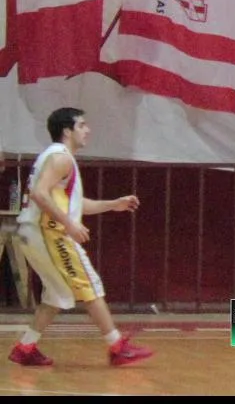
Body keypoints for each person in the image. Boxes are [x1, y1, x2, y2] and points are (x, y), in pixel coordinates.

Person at [8, 108, 153, 367]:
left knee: (57, 293)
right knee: (90, 284)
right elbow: (40, 194)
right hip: (49, 232)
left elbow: (74, 204)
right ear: (67, 130)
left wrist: (113, 204)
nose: (88, 130)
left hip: (33, 232)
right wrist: (69, 225)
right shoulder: (60, 158)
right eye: (82, 125)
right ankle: (117, 347)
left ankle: (25, 347)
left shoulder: (55, 157)